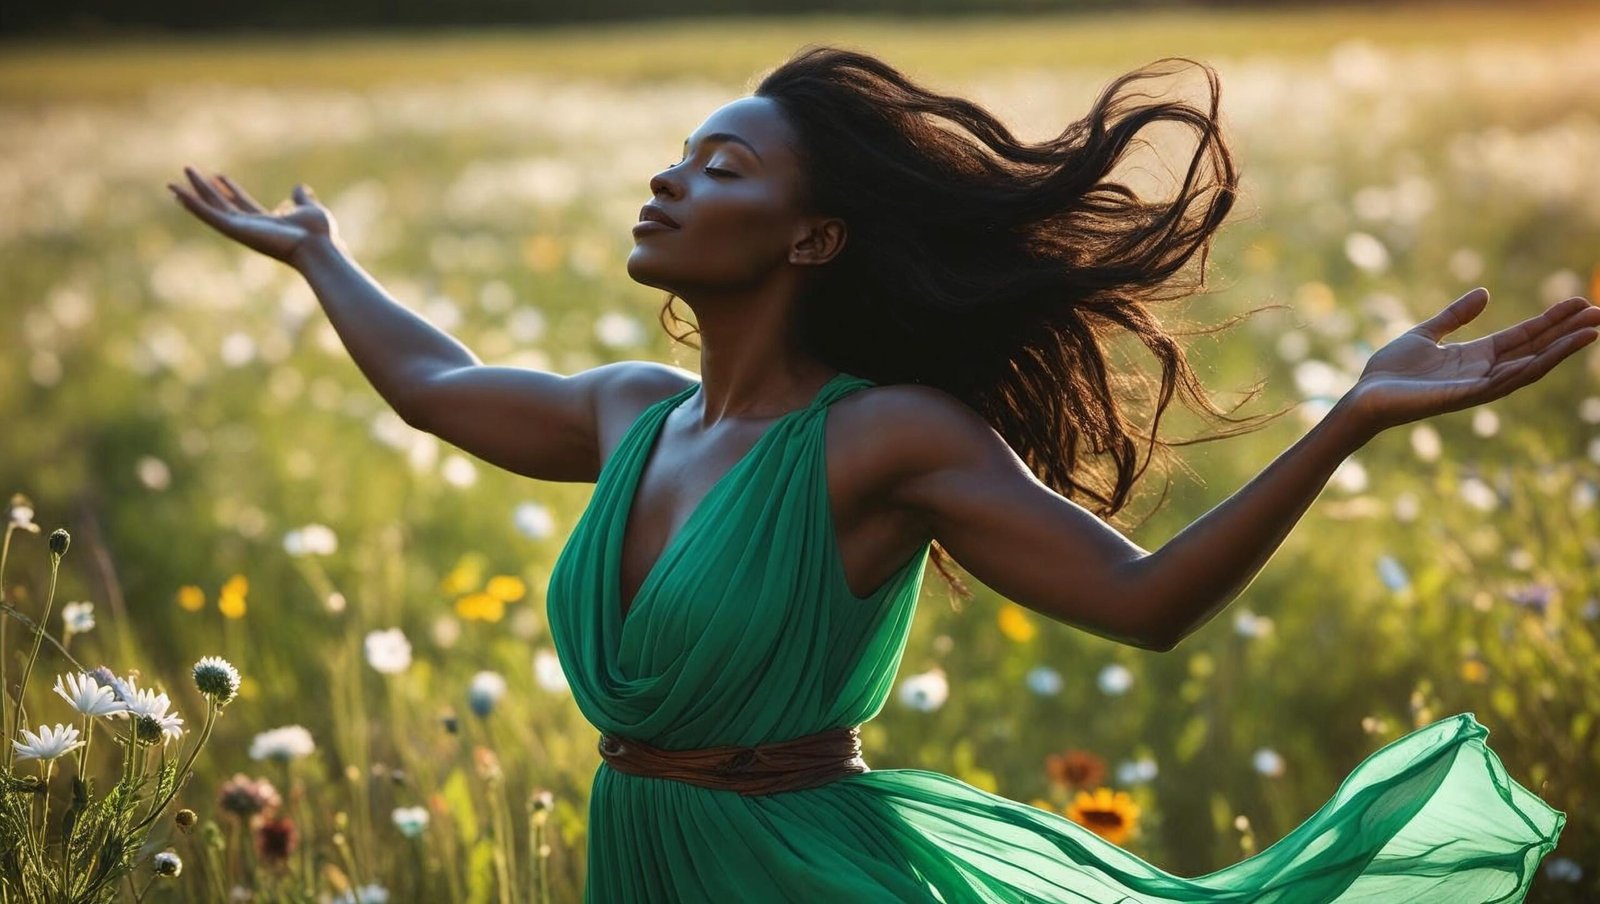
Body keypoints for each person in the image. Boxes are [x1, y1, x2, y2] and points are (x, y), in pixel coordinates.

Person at [169, 45, 1586, 904]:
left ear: (812, 241)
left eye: (719, 169)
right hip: (643, 858)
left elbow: (1147, 607)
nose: (668, 183)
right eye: (677, 157)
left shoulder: (883, 438)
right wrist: (323, 255)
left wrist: (1346, 420)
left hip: (803, 875)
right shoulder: (630, 415)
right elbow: (431, 387)